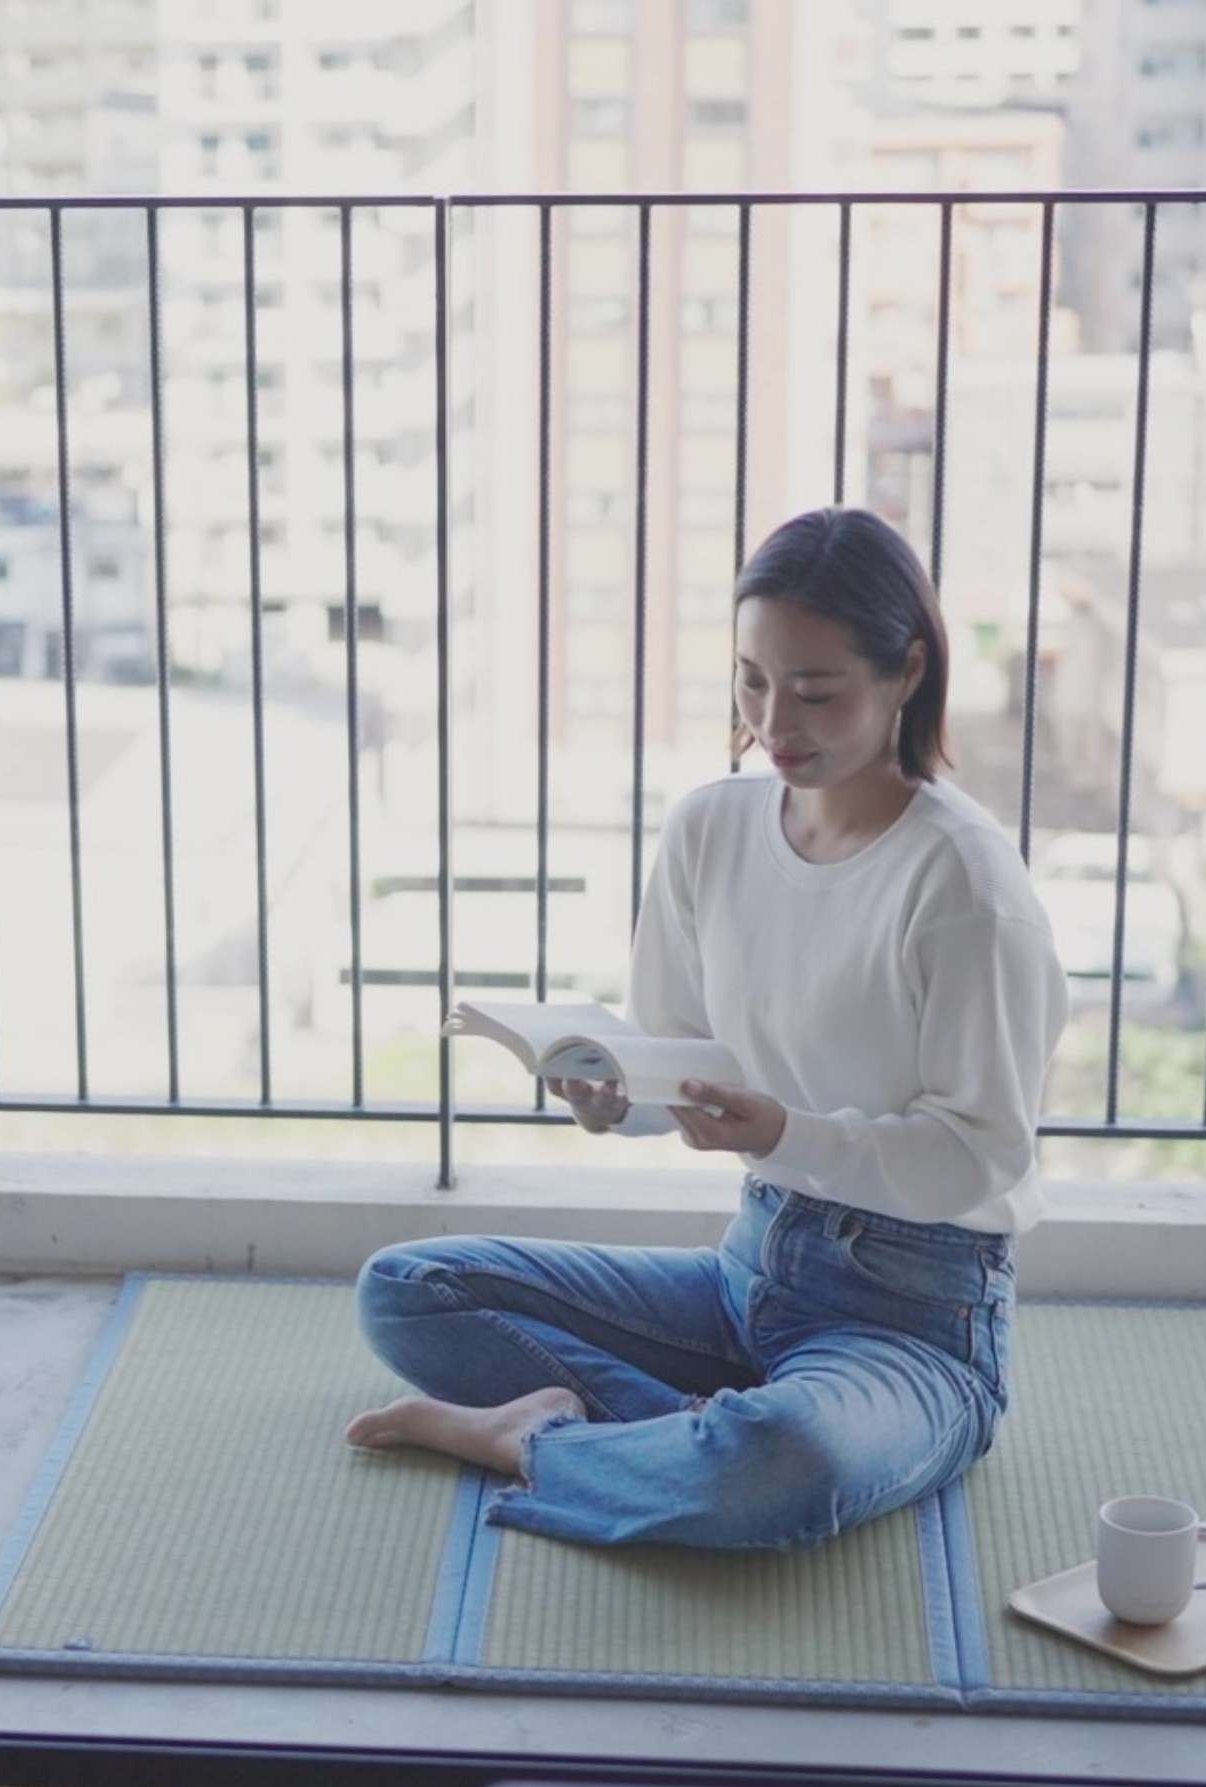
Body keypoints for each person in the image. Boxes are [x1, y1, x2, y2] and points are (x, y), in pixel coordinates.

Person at [345, 507, 1069, 1551]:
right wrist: (618, 1097)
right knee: (408, 1291)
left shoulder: (961, 879)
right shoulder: (710, 826)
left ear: (906, 672)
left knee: (784, 1461)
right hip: (750, 1265)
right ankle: (673, 1432)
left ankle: (539, 1439)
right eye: (752, 680)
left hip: (914, 1320)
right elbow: (684, 1056)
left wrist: (780, 1131)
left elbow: (978, 1155)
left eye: (816, 690)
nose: (776, 719)